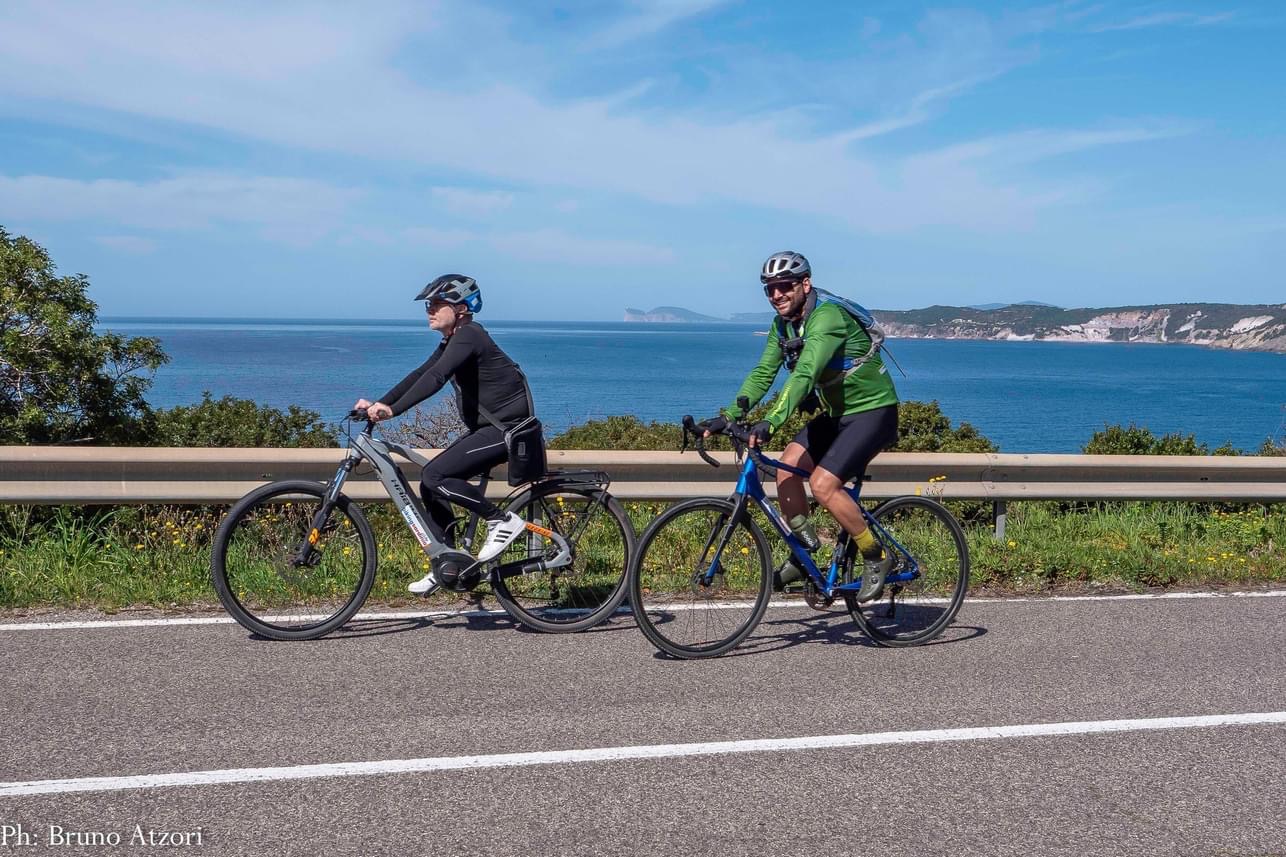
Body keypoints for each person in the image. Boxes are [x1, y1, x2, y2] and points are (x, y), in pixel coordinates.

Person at [701, 251, 899, 602]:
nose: (776, 294)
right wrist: (729, 415)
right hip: (837, 415)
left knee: (823, 485)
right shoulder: (783, 325)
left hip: (873, 412)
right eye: (769, 289)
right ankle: (803, 553)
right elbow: (763, 373)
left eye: (784, 286)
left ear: (805, 284)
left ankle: (875, 555)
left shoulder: (828, 318)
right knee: (787, 468)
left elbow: (806, 374)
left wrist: (771, 422)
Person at [354, 274, 532, 595]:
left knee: (435, 474)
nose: (429, 310)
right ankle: (447, 561)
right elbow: (420, 373)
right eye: (428, 304)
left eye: (437, 304)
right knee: (431, 483)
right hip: (488, 430)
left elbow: (437, 377)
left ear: (461, 308)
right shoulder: (454, 339)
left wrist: (393, 411)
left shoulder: (470, 336)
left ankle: (501, 520)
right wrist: (380, 403)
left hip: (506, 431)